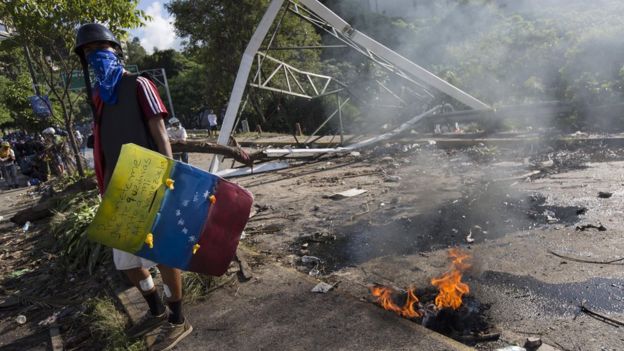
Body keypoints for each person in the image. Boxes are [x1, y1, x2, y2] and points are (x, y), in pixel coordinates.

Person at [74, 23, 191, 350]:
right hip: (117, 191)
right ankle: (154, 307)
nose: (94, 56)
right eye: (87, 52)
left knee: (163, 254)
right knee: (127, 263)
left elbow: (160, 137)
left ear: (115, 51)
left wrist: (169, 178)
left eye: (100, 50)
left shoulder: (140, 85)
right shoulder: (99, 99)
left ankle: (178, 318)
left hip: (149, 180)